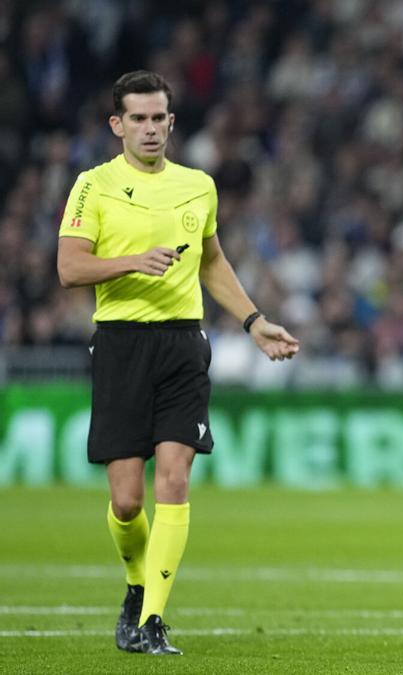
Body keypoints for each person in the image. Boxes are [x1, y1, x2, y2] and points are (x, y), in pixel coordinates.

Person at [56, 70, 300, 656]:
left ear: (171, 122)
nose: (149, 128)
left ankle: (154, 622)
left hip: (183, 346)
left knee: (174, 480)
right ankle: (138, 588)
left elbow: (212, 261)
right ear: (117, 125)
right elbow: (69, 268)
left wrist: (253, 320)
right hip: (119, 343)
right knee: (126, 502)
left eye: (157, 117)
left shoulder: (198, 186)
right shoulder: (93, 186)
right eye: (136, 118)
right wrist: (132, 261)